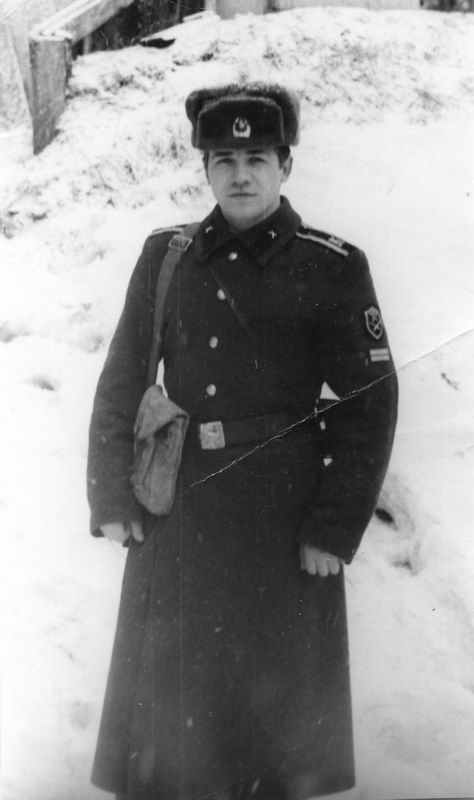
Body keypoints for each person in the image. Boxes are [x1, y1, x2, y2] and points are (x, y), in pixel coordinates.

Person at [87, 83, 398, 800]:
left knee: (272, 739)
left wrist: (333, 527)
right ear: (205, 169)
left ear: (286, 165)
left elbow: (370, 404)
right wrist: (111, 496)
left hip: (281, 529)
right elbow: (123, 378)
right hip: (181, 522)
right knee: (170, 740)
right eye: (223, 160)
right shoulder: (166, 257)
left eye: (257, 158)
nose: (240, 175)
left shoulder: (331, 266)